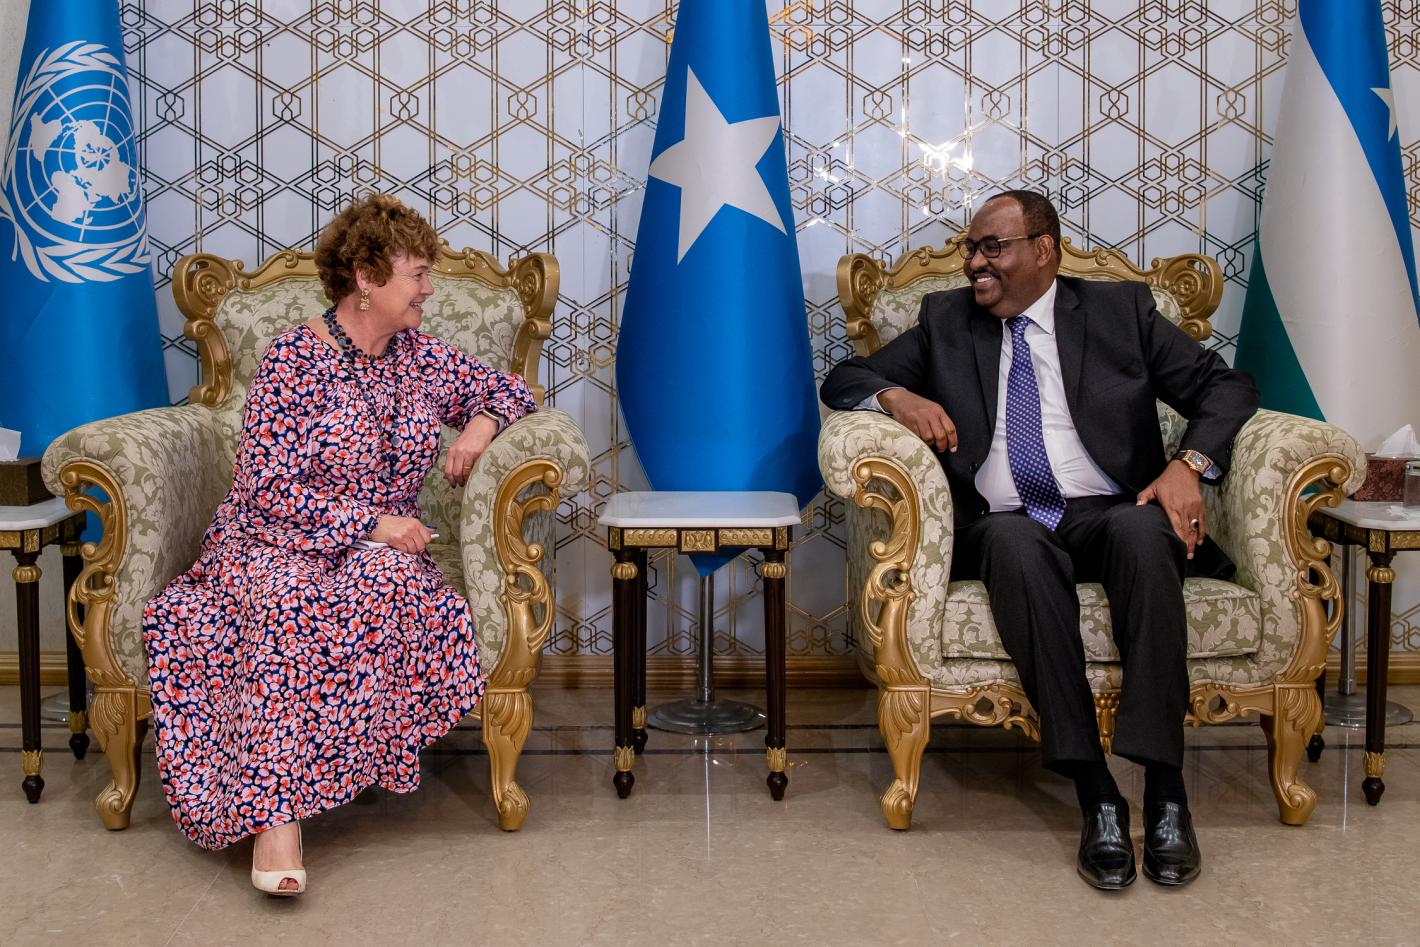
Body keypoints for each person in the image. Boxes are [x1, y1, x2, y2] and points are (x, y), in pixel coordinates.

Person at [820, 189, 1258, 890]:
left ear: (1044, 249)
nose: (974, 263)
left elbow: (1227, 387)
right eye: (971, 249)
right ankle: (1097, 793)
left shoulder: (1120, 311)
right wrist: (898, 397)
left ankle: (1166, 789)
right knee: (1015, 546)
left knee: (1145, 535)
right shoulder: (945, 320)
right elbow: (844, 378)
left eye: (991, 247)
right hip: (1006, 520)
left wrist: (1189, 464)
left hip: (1110, 508)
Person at [143, 194, 536, 895]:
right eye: (417, 274)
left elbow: (511, 389)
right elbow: (265, 487)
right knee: (289, 601)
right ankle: (277, 820)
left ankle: (319, 779)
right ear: (366, 278)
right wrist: (370, 523)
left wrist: (479, 427)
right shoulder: (293, 358)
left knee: (390, 581)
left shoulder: (421, 358)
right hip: (272, 540)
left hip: (375, 552)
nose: (429, 289)